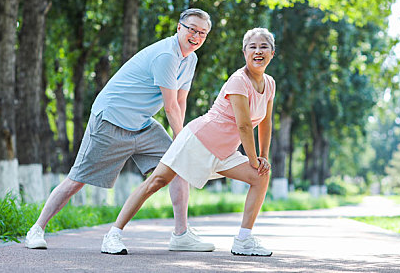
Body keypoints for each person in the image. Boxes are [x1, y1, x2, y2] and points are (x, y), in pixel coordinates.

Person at [25, 8, 215, 253]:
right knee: (77, 180)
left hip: (142, 124)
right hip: (110, 121)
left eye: (202, 33)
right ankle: (36, 229)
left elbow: (180, 101)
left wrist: (182, 142)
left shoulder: (191, 59)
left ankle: (181, 235)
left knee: (178, 167)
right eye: (191, 29)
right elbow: (169, 107)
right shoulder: (167, 55)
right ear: (179, 28)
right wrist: (182, 141)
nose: (196, 36)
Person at [102, 27, 276, 256]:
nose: (258, 51)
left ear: (272, 53)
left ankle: (243, 240)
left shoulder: (269, 83)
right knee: (156, 182)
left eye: (263, 46)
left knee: (261, 177)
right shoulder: (238, 81)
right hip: (198, 140)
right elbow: (244, 126)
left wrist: (263, 157)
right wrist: (254, 160)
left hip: (225, 151)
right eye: (252, 47)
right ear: (244, 53)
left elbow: (265, 122)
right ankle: (113, 235)